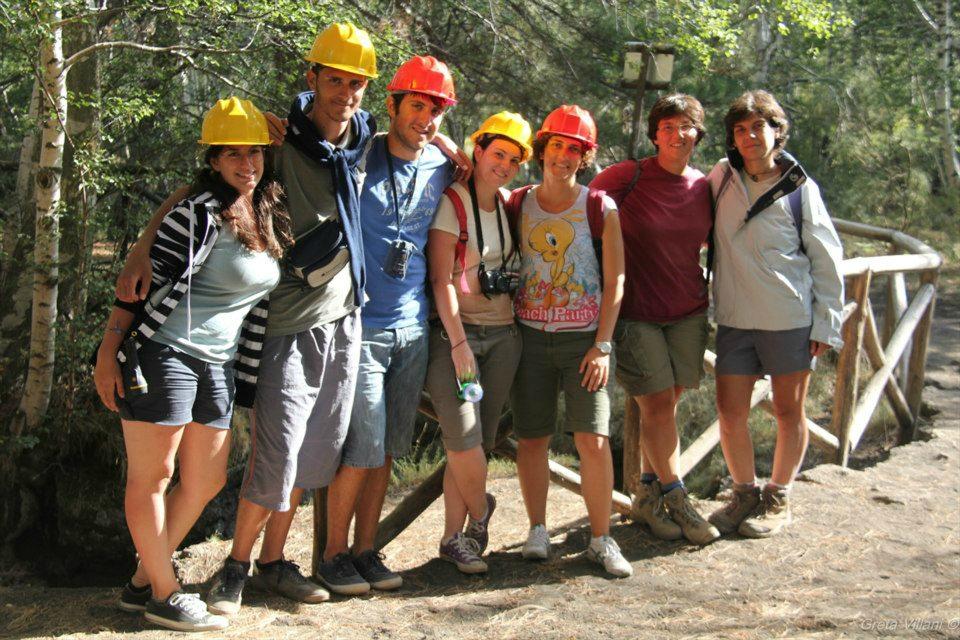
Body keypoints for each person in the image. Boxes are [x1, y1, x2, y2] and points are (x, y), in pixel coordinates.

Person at [116, 23, 379, 614]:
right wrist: (141, 246)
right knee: (272, 452)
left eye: (355, 82)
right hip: (275, 325)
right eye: (334, 79)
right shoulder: (276, 140)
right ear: (312, 79)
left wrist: (448, 149)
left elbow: (415, 141)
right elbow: (202, 187)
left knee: (313, 450)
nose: (344, 92)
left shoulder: (362, 139)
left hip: (334, 317)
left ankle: (271, 563)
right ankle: (227, 570)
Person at [94, 97, 290, 632]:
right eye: (233, 154)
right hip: (164, 353)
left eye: (254, 153)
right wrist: (108, 351)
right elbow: (136, 289)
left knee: (204, 481)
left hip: (219, 366)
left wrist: (281, 129)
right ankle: (165, 591)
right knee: (152, 477)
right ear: (213, 159)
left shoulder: (266, 206)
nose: (246, 164)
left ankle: (141, 581)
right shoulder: (198, 211)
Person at [315, 55, 460, 594]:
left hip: (414, 327)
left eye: (436, 110)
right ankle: (331, 555)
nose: (426, 118)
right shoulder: (361, 153)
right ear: (394, 105)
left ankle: (365, 550)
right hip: (359, 326)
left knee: (389, 448)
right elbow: (317, 116)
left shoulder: (445, 167)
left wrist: (457, 151)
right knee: (362, 448)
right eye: (416, 105)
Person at [706, 90, 844, 538]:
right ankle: (744, 493)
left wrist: (826, 323)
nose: (749, 136)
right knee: (730, 413)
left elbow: (826, 259)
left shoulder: (801, 188)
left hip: (789, 317)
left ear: (776, 131)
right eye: (741, 129)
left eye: (758, 127)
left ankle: (778, 496)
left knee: (789, 411)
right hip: (734, 316)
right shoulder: (721, 178)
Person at [589, 94, 719, 545]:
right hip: (635, 312)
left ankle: (645, 495)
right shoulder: (629, 176)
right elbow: (578, 206)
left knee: (665, 407)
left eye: (686, 126)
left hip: (687, 311)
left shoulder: (704, 186)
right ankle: (678, 496)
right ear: (654, 134)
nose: (677, 135)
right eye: (667, 126)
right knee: (659, 405)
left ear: (698, 133)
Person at [508, 105, 631, 578]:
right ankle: (537, 529)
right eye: (556, 145)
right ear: (541, 150)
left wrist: (602, 345)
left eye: (574, 149)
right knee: (532, 439)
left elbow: (615, 280)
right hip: (530, 336)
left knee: (593, 439)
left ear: (585, 157)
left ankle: (601, 539)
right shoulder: (518, 202)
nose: (563, 156)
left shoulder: (600, 206)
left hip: (585, 341)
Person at [424, 112, 532, 573]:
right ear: (479, 150)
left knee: (475, 445)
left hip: (505, 337)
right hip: (458, 340)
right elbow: (440, 279)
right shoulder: (454, 202)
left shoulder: (509, 205)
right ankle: (482, 507)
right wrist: (458, 343)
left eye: (514, 158)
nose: (504, 165)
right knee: (462, 439)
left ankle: (454, 538)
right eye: (497, 154)